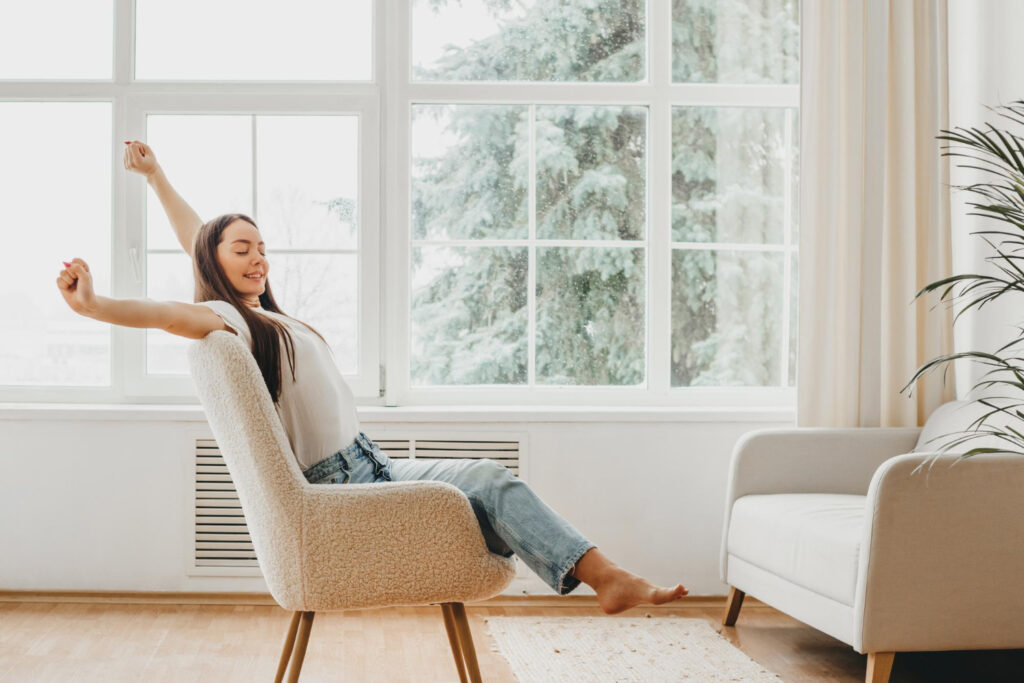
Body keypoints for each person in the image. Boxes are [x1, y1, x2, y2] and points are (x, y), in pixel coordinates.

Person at [55, 140, 689, 615]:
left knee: (490, 481)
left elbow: (198, 235)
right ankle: (605, 578)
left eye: (262, 248)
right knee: (486, 485)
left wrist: (157, 177)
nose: (258, 258)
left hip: (368, 462)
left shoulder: (261, 315)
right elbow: (168, 311)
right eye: (241, 250)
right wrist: (94, 306)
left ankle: (602, 576)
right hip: (339, 482)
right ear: (214, 264)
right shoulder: (228, 319)